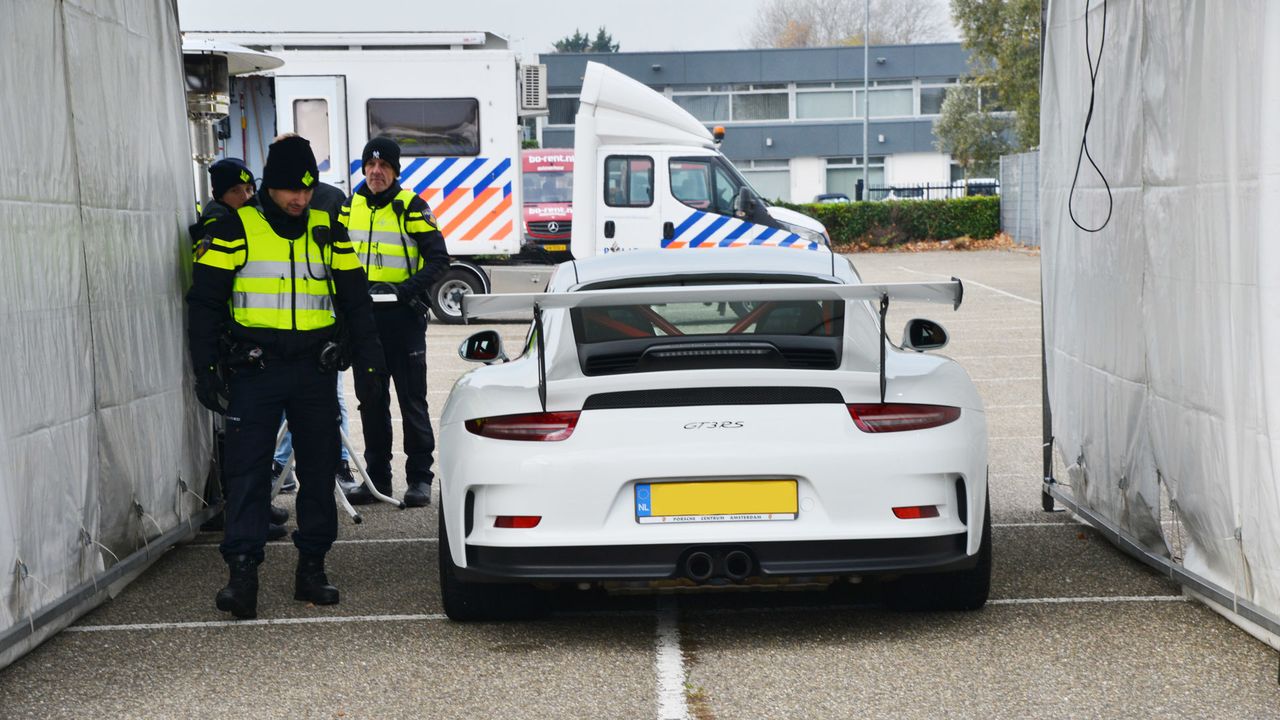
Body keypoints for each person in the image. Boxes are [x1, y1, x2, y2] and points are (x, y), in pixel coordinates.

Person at [187, 135, 388, 620]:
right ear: (269, 187)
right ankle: (242, 574)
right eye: (290, 190)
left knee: (319, 471)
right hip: (255, 370)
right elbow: (205, 303)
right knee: (247, 472)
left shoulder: (327, 230)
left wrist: (369, 360)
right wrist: (206, 367)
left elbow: (355, 300)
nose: (300, 198)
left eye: (307, 189)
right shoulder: (237, 227)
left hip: (314, 371)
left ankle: (312, 568)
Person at [340, 136, 449, 508]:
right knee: (371, 403)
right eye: (370, 165)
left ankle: (419, 479)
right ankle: (377, 480)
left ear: (395, 171)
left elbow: (439, 260)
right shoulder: (348, 207)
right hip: (364, 322)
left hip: (402, 319)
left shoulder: (411, 206)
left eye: (384, 165)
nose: (376, 172)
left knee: (412, 401)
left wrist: (406, 290)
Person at [188, 158, 291, 540]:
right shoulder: (218, 226)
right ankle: (244, 511)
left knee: (250, 436)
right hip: (228, 345)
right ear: (220, 194)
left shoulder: (240, 221)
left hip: (239, 343)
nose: (246, 196)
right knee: (243, 438)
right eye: (237, 191)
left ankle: (255, 504)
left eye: (249, 189)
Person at [267, 134, 359, 496]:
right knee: (295, 406)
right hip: (280, 331)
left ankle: (337, 463)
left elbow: (345, 263)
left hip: (321, 329)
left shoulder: (332, 200)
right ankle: (288, 466)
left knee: (330, 400)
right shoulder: (264, 206)